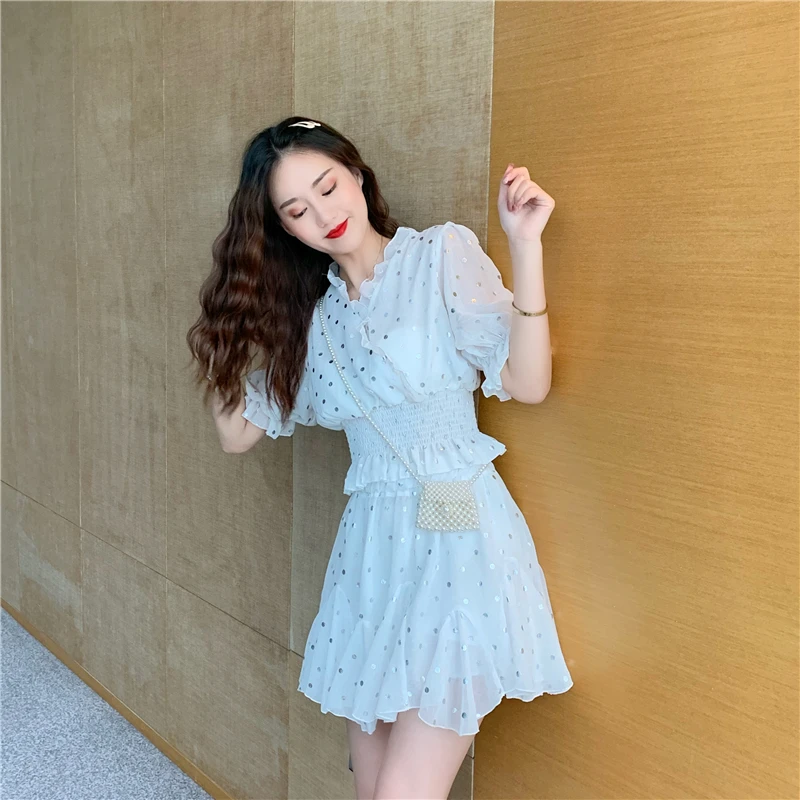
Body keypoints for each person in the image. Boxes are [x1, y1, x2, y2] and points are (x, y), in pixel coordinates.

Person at [186, 116, 573, 800]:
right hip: (371, 559)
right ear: (285, 230)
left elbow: (528, 383)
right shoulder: (314, 322)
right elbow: (237, 434)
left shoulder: (439, 255)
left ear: (357, 174)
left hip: (458, 545)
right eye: (296, 211)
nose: (323, 215)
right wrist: (226, 327)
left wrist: (525, 246)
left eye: (327, 187)